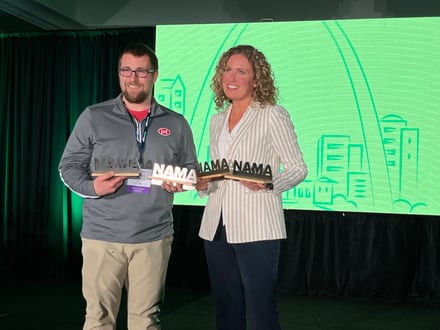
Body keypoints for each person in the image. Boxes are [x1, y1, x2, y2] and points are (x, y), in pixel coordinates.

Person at [58, 43, 197, 329]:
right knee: (98, 319)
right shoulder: (94, 116)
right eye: (126, 70)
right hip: (102, 237)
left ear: (154, 75)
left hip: (153, 237)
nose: (133, 78)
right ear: (119, 73)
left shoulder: (177, 122)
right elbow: (68, 167)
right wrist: (94, 188)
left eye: (141, 71)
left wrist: (182, 182)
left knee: (146, 320)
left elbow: (191, 168)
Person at [196, 45, 308, 330]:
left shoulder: (272, 114)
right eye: (227, 69)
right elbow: (219, 171)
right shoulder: (216, 120)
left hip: (257, 226)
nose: (231, 76)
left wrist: (268, 183)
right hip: (216, 226)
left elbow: (298, 168)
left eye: (241, 71)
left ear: (257, 80)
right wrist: (202, 184)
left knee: (260, 311)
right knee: (226, 308)